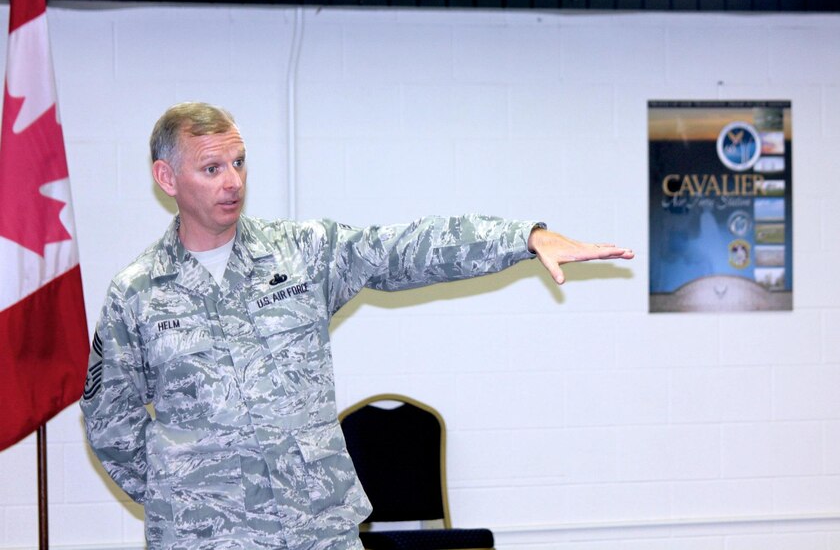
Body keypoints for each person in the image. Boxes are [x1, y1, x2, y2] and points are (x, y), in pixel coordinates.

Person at [81, 102, 634, 550]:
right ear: (166, 178)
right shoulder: (138, 292)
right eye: (212, 168)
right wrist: (187, 494)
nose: (233, 182)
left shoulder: (301, 254)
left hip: (319, 531)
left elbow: (404, 248)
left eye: (240, 163)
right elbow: (110, 422)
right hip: (208, 538)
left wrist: (523, 238)